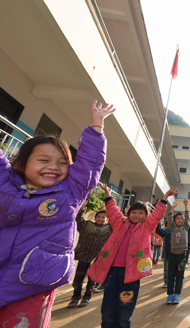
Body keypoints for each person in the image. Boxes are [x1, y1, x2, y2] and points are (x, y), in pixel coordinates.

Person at [0, 100, 112, 326]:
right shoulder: (6, 183)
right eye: (43, 160)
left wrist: (96, 127)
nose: (53, 167)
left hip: (33, 282)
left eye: (63, 163)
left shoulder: (70, 193)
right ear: (21, 163)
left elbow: (90, 165)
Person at [88, 184, 177, 327]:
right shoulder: (120, 223)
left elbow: (157, 216)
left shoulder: (147, 227)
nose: (137, 215)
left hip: (131, 275)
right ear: (129, 213)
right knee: (108, 307)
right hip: (112, 271)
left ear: (145, 216)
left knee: (124, 310)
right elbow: (112, 210)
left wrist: (165, 198)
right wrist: (108, 195)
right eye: (134, 212)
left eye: (141, 213)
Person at [68, 207, 112, 308]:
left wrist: (111, 212)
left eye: (103, 217)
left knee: (92, 280)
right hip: (84, 256)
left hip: (97, 259)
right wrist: (81, 209)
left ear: (107, 219)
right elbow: (78, 220)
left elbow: (118, 223)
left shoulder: (109, 228)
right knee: (78, 278)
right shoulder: (87, 225)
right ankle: (75, 297)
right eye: (98, 217)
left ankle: (86, 297)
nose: (100, 219)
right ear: (95, 218)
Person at [165, 199, 190, 304]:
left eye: (181, 219)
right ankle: (170, 295)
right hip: (173, 256)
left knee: (180, 276)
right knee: (171, 276)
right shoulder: (172, 227)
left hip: (182, 256)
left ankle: (177, 294)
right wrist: (172, 208)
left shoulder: (185, 227)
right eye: (178, 219)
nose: (180, 220)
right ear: (174, 220)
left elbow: (187, 217)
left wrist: (186, 206)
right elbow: (169, 218)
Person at [155, 219, 171, 288]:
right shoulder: (165, 231)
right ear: (166, 224)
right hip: (167, 253)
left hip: (175, 253)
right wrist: (158, 219)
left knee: (174, 268)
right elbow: (158, 230)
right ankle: (166, 281)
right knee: (166, 268)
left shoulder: (176, 231)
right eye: (168, 223)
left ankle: (172, 281)